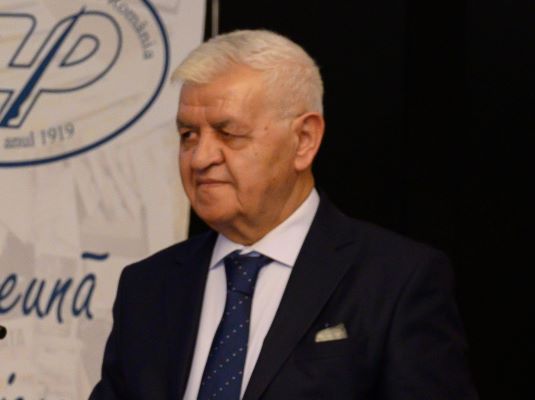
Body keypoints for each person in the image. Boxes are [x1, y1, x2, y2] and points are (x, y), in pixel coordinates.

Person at [90, 30, 478, 400]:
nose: (200, 158)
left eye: (228, 133)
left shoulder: (395, 282)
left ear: (304, 140)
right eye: (188, 135)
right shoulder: (147, 287)